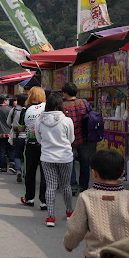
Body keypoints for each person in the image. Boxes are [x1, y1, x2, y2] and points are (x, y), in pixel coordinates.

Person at [63, 149, 129, 258]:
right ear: (122, 173)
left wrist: (69, 244)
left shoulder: (86, 197)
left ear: (94, 173)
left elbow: (76, 229)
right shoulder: (128, 197)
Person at [35, 93, 74, 227]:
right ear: (60, 104)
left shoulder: (39, 120)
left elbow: (39, 139)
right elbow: (71, 139)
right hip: (65, 157)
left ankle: (50, 217)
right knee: (66, 185)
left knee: (50, 186)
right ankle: (69, 212)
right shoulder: (67, 120)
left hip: (47, 157)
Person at [62, 82, 93, 195]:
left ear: (65, 93)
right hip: (83, 137)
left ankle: (73, 185)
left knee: (70, 161)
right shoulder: (84, 103)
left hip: (68, 139)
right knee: (85, 161)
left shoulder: (63, 106)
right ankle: (84, 186)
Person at [19, 87, 48, 209]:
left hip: (30, 144)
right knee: (45, 173)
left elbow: (21, 128)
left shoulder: (25, 109)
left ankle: (29, 198)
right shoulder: (47, 108)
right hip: (46, 145)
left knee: (29, 172)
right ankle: (44, 201)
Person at [8, 94, 27, 183]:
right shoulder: (28, 110)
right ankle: (25, 172)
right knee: (26, 156)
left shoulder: (14, 109)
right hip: (27, 135)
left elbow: (8, 122)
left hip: (17, 135)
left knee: (17, 155)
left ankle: (18, 170)